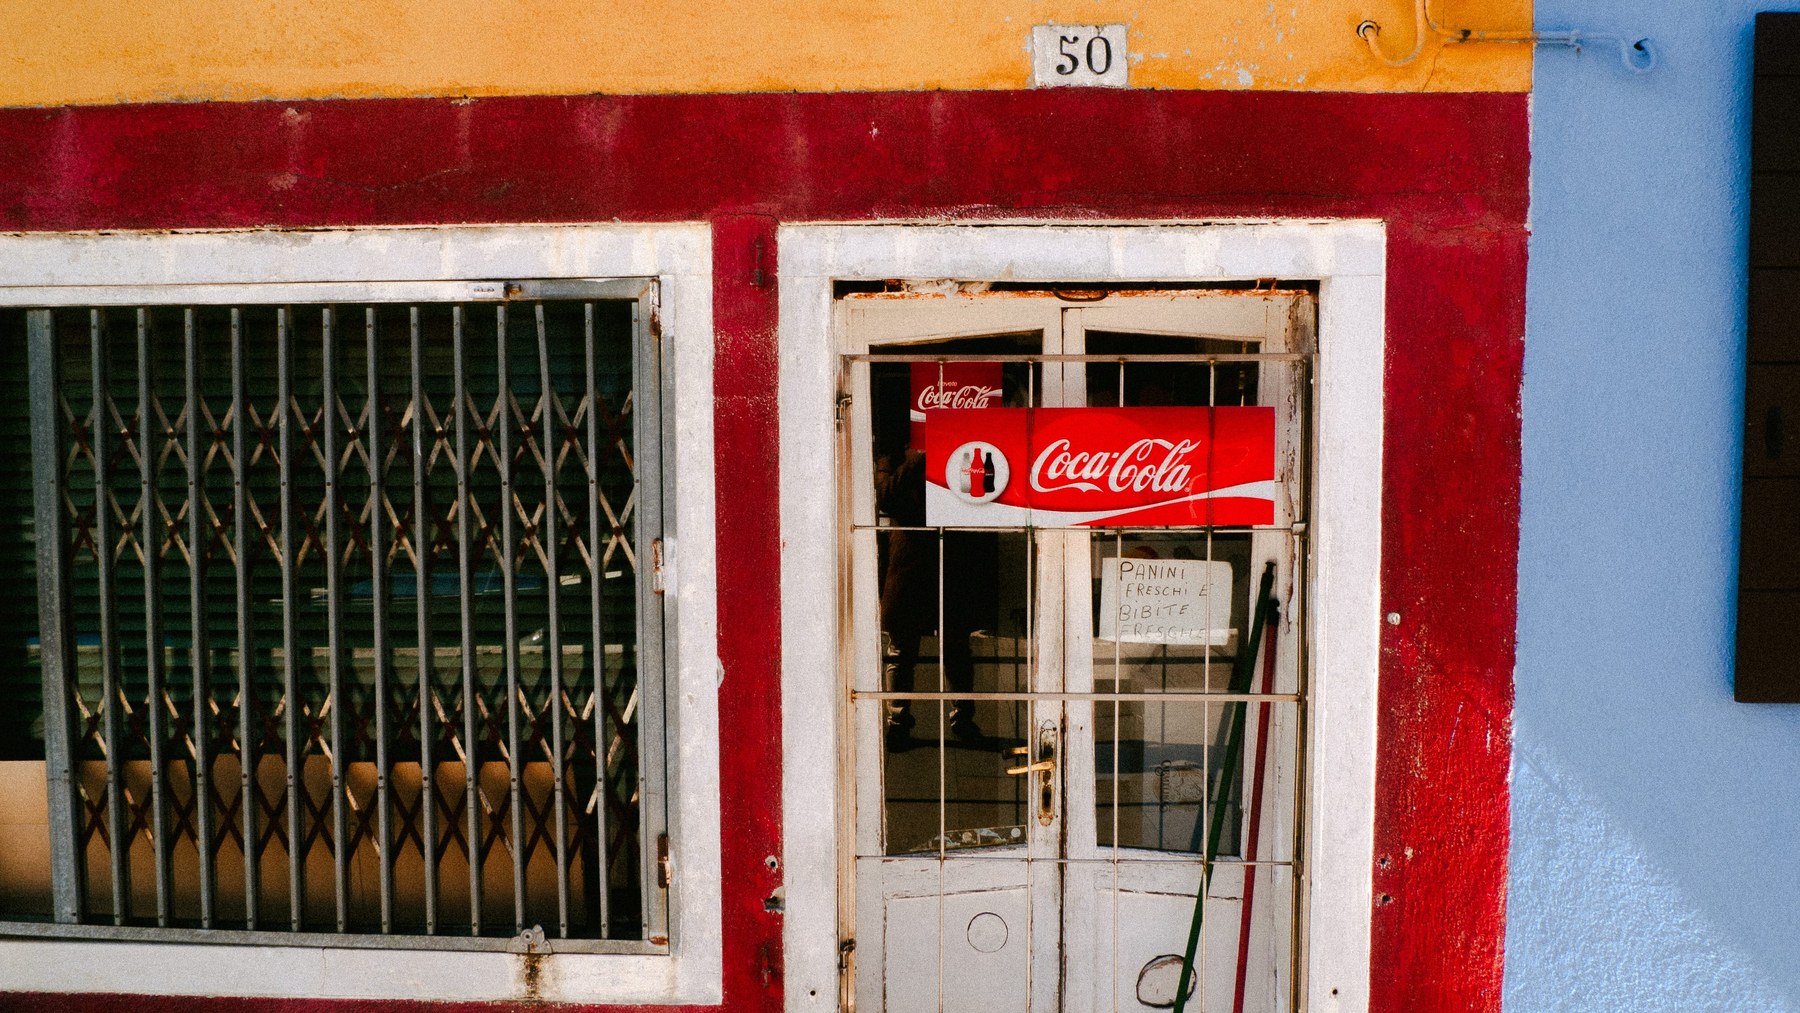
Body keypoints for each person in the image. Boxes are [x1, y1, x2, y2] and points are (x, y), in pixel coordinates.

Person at [874, 446, 991, 751]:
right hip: (910, 567)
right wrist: (915, 459)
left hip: (951, 563)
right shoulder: (896, 456)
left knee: (956, 650)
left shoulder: (958, 449)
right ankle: (898, 722)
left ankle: (962, 720)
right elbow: (884, 497)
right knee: (902, 651)